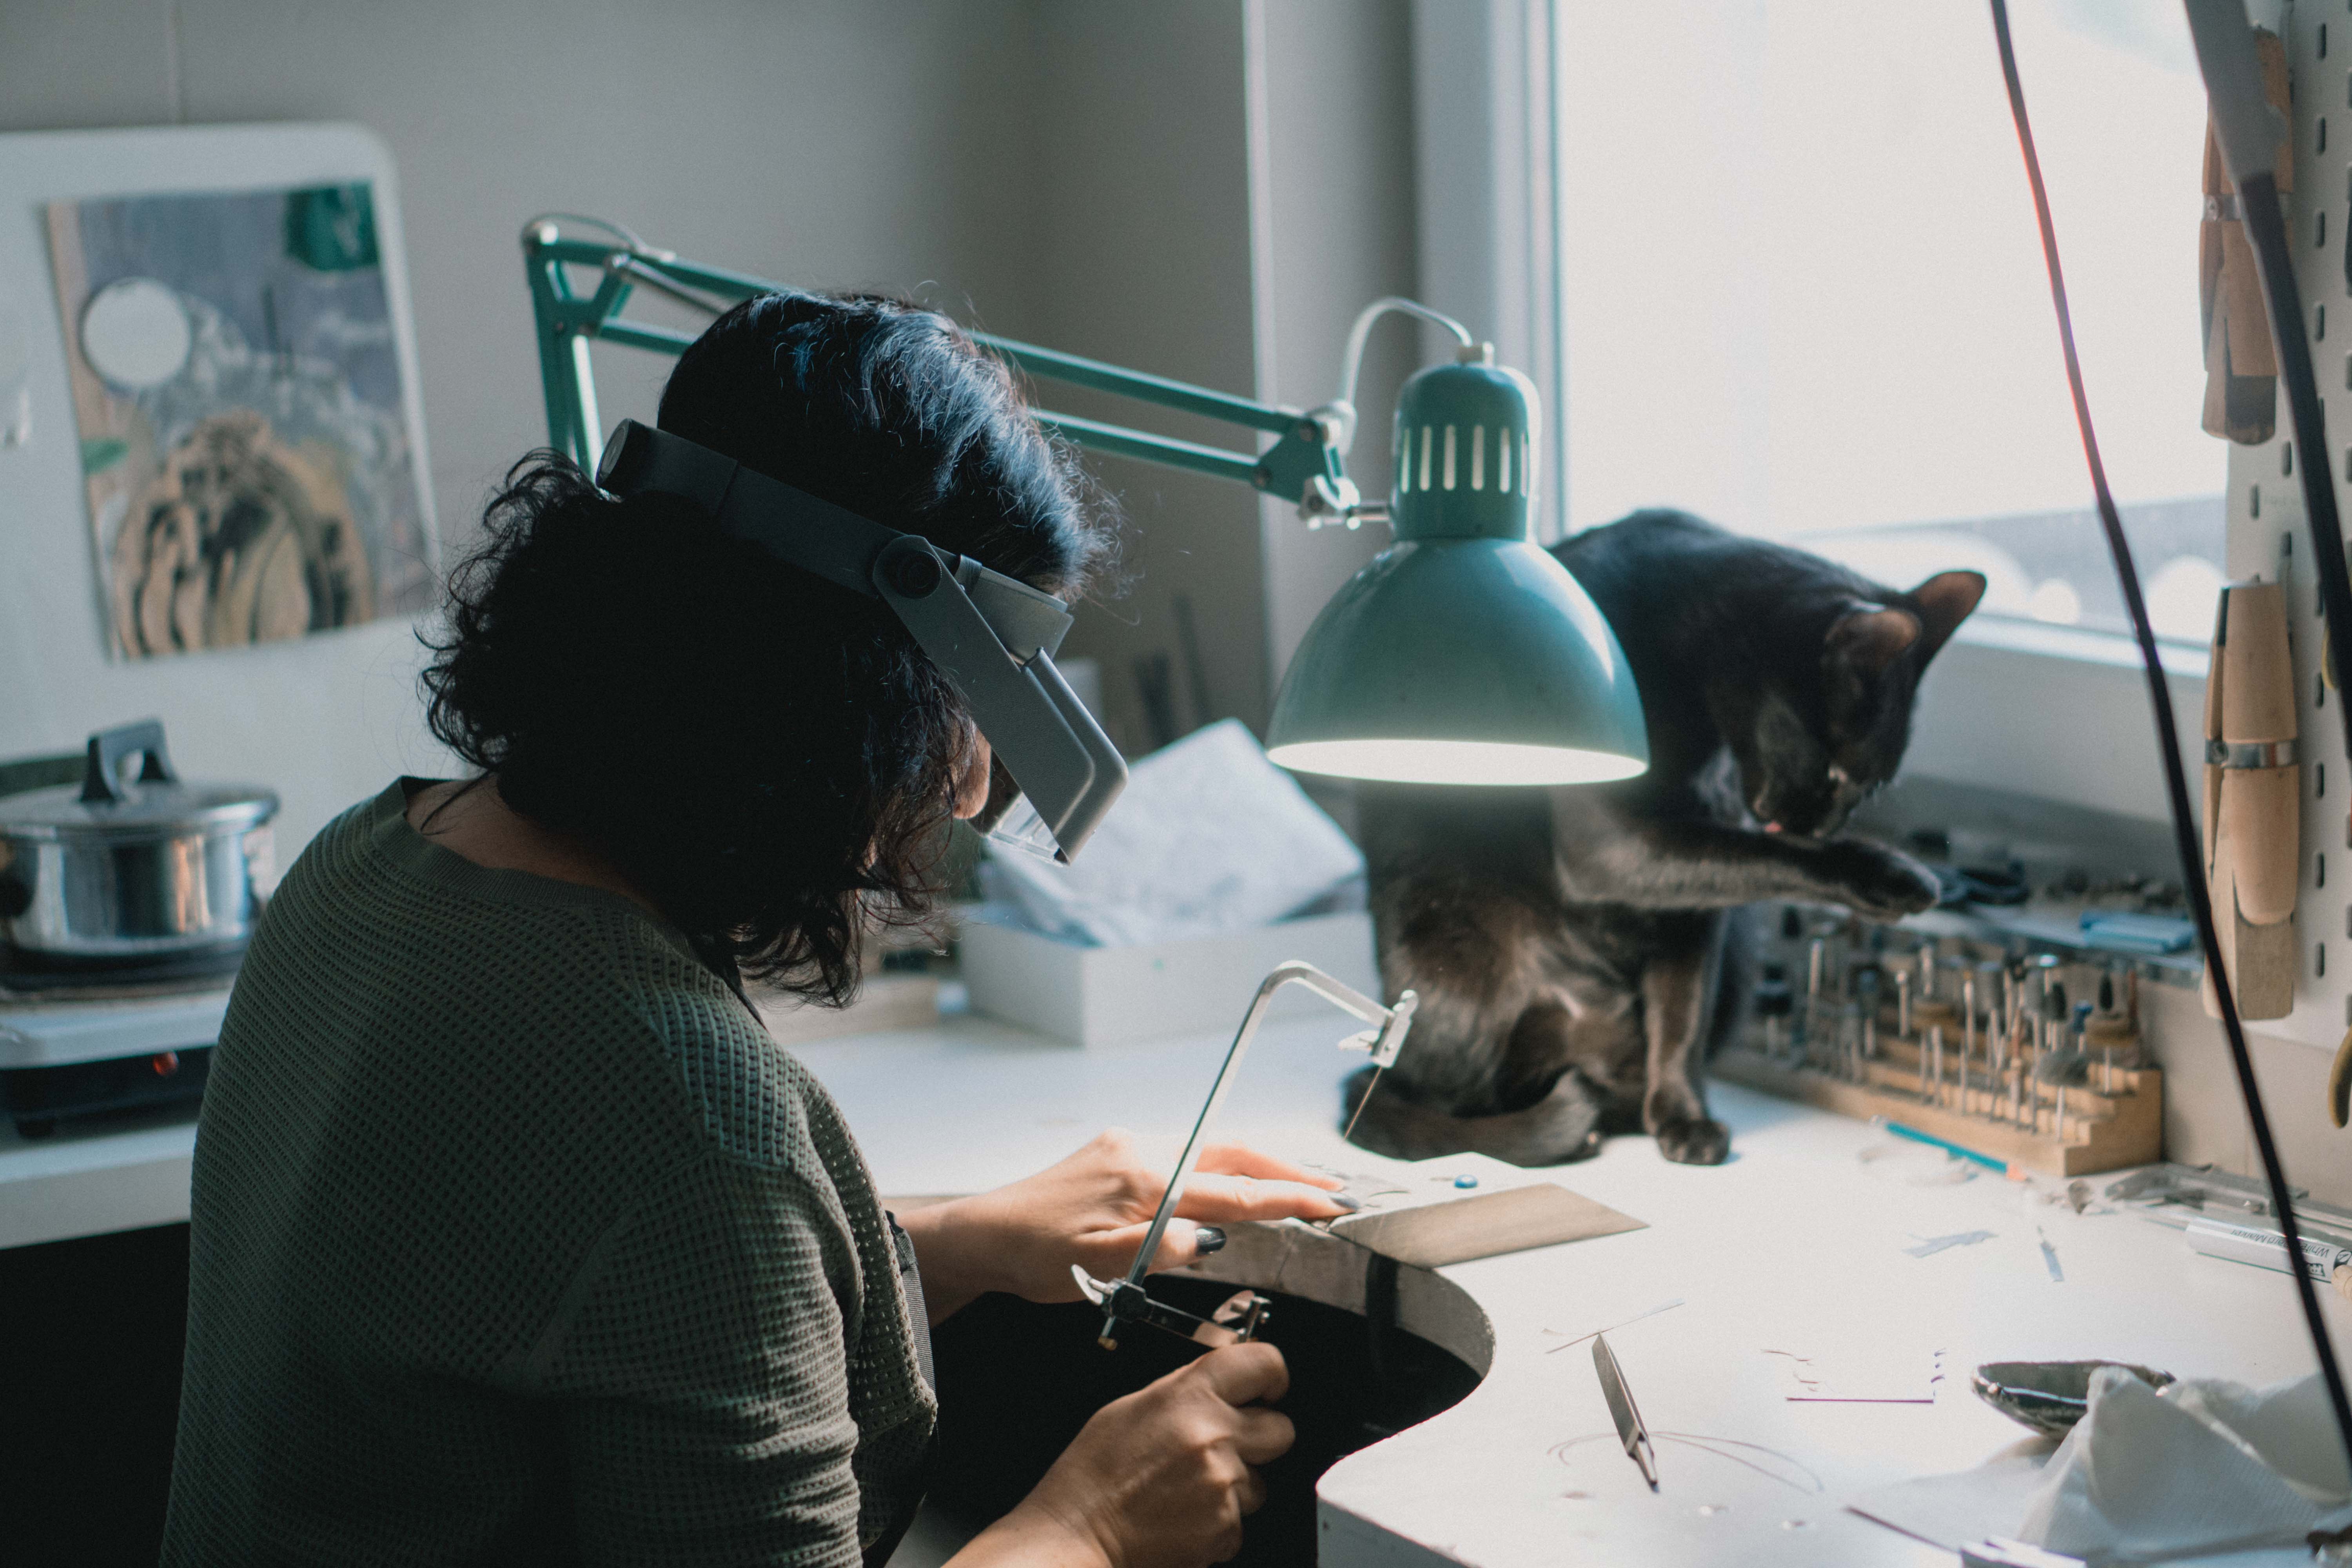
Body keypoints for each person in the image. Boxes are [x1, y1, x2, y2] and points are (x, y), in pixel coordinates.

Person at [162, 291, 1354, 1567]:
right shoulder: (691, 1118)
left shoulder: (363, 865)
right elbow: (657, 1209)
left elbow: (554, 1301)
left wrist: (928, 1251)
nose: (963, 789)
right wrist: (1093, 1526)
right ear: (852, 687)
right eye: (966, 711)